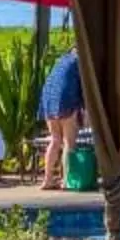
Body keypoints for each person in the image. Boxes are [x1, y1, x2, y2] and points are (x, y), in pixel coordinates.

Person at [39, 45, 85, 186]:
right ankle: (66, 180)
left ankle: (48, 179)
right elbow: (84, 88)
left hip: (48, 99)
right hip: (66, 99)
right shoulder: (80, 61)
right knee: (69, 142)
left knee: (55, 140)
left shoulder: (61, 61)